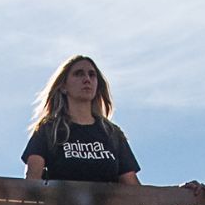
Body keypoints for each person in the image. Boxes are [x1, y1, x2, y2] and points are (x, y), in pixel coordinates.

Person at [22, 55, 139, 184]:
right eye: (79, 74)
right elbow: (32, 178)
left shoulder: (112, 134)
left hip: (106, 204)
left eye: (92, 75)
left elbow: (132, 185)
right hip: (61, 203)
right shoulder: (49, 130)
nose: (87, 79)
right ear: (63, 86)